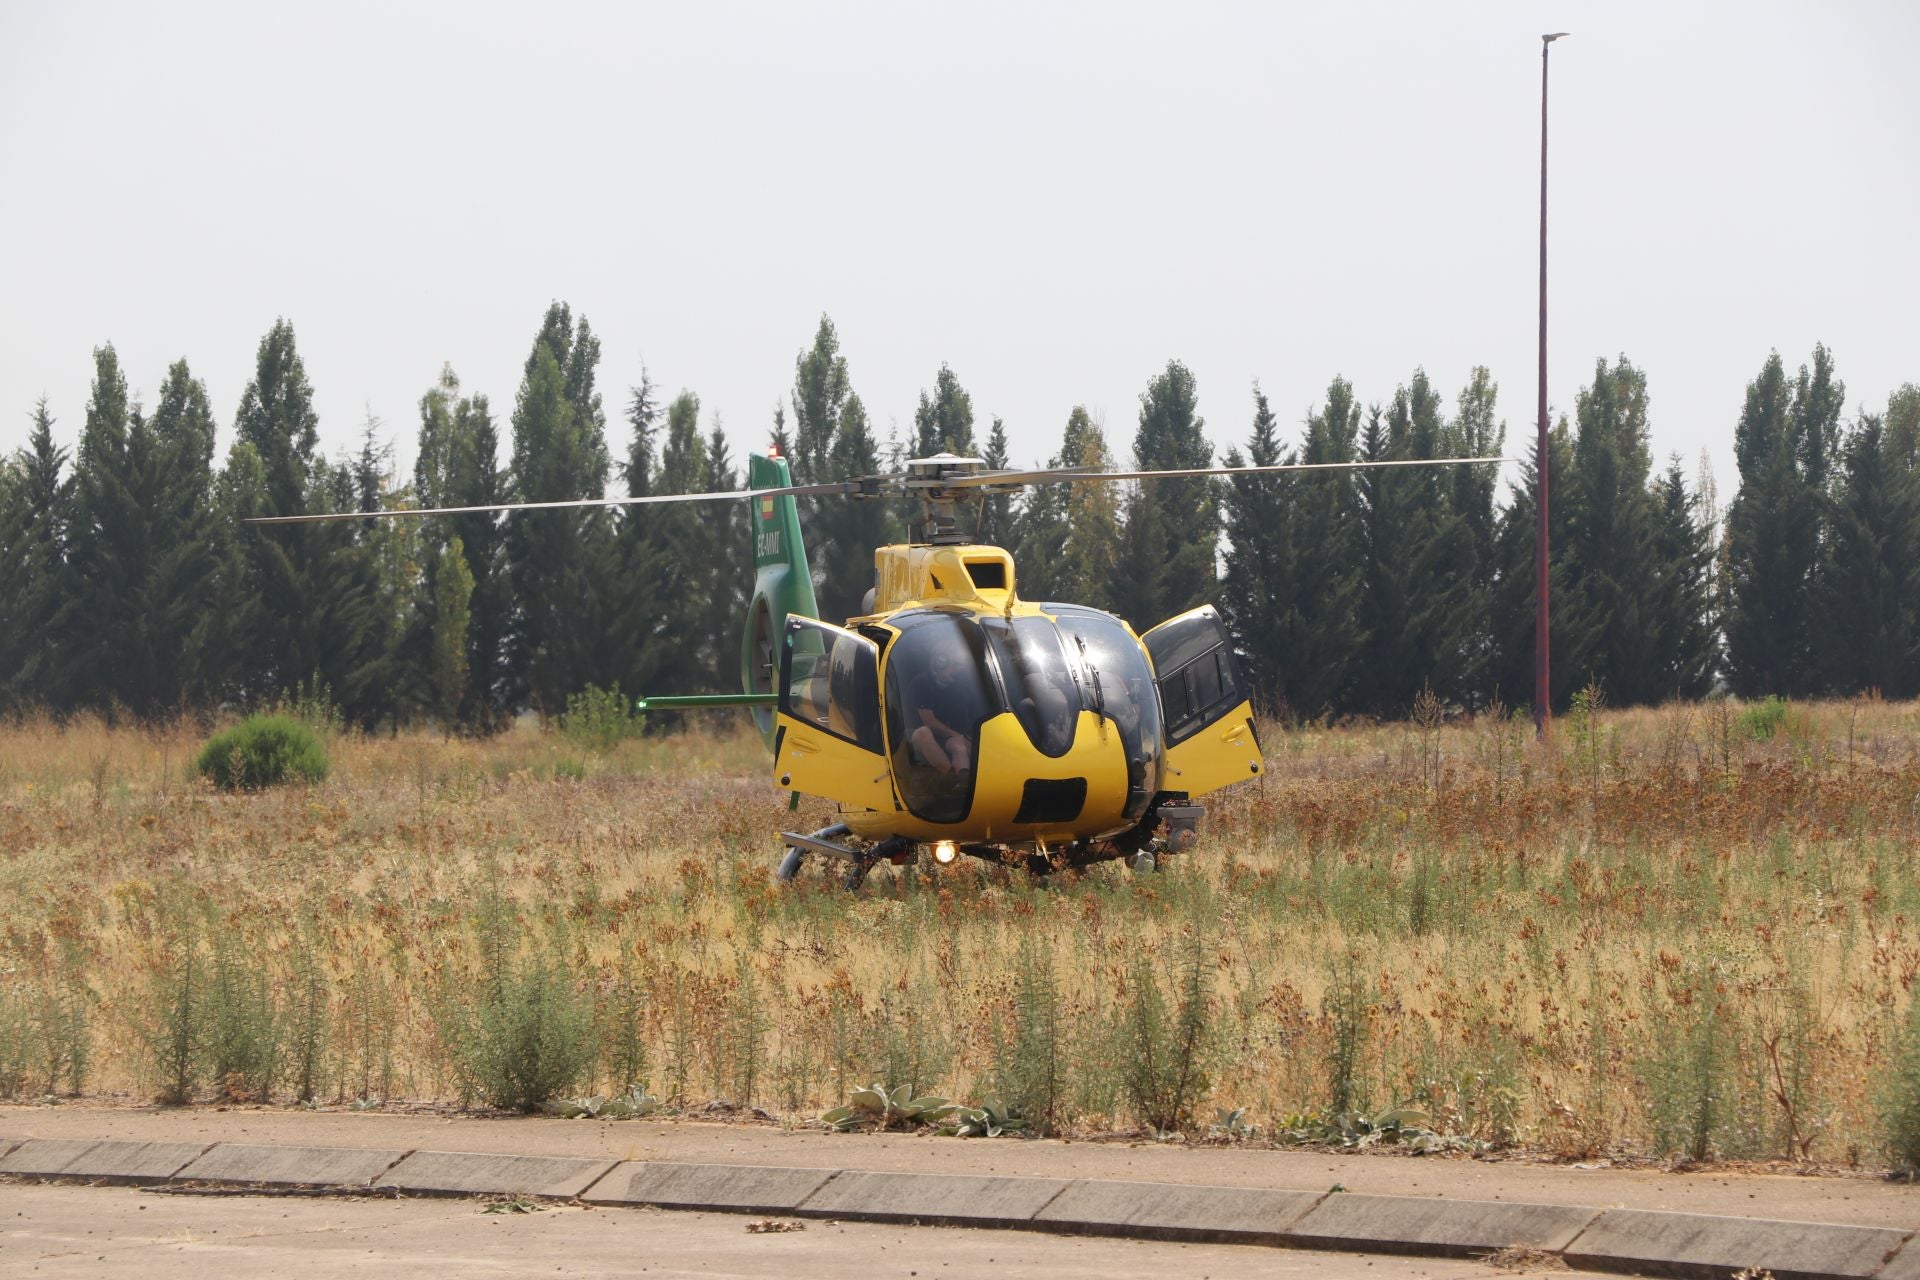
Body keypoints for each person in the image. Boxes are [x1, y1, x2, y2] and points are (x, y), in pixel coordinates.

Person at [906, 646, 977, 775]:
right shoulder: (922, 683)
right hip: (913, 736)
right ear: (939, 664)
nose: (958, 670)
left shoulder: (959, 688)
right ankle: (949, 778)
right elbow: (929, 722)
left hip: (942, 737)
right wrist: (956, 735)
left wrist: (966, 740)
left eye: (960, 666)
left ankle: (962, 782)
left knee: (958, 745)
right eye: (954, 665)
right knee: (924, 732)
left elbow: (963, 722)